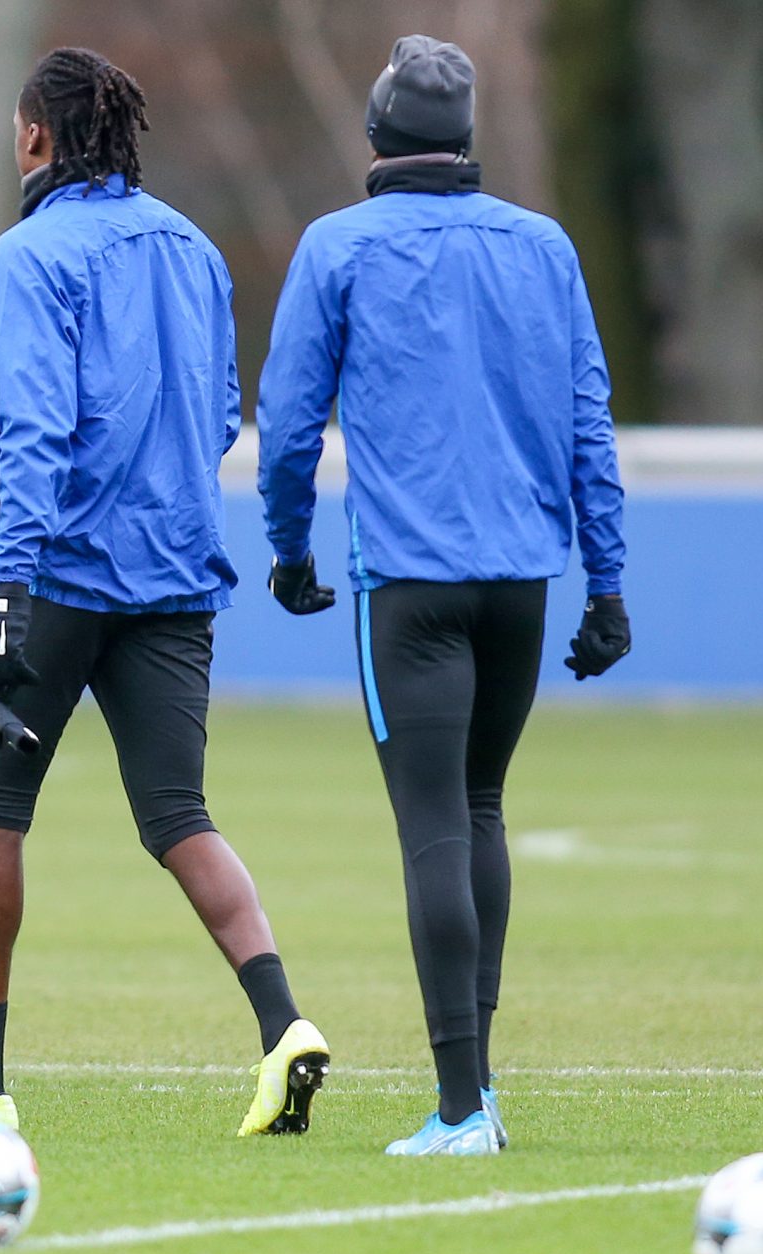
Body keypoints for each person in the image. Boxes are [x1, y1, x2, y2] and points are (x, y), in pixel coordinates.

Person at [0, 47, 329, 1135]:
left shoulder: (29, 252)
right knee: (179, 814)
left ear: (35, 135)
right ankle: (283, 1023)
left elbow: (37, 428)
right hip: (178, 575)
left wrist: (8, 581)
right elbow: (222, 412)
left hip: (57, 574)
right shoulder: (193, 246)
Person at [256, 35, 628, 1156]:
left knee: (431, 828)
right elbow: (587, 421)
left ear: (376, 135)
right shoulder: (542, 244)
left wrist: (288, 552)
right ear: (463, 138)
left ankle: (461, 1108)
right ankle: (478, 1090)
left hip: (409, 586)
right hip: (519, 582)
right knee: (479, 810)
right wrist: (606, 585)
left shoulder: (338, 244)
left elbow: (289, 425)